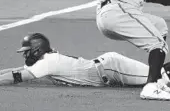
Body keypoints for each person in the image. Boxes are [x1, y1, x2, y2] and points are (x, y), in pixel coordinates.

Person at [96, 0, 170, 100]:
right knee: (157, 43)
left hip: (115, 14)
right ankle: (151, 86)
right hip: (117, 10)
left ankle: (158, 80)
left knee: (158, 25)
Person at [1, 32, 170, 90]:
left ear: (37, 50)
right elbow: (16, 70)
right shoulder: (44, 61)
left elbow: (16, 77)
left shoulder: (47, 62)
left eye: (27, 52)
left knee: (158, 77)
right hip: (106, 70)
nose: (24, 55)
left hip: (111, 68)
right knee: (157, 75)